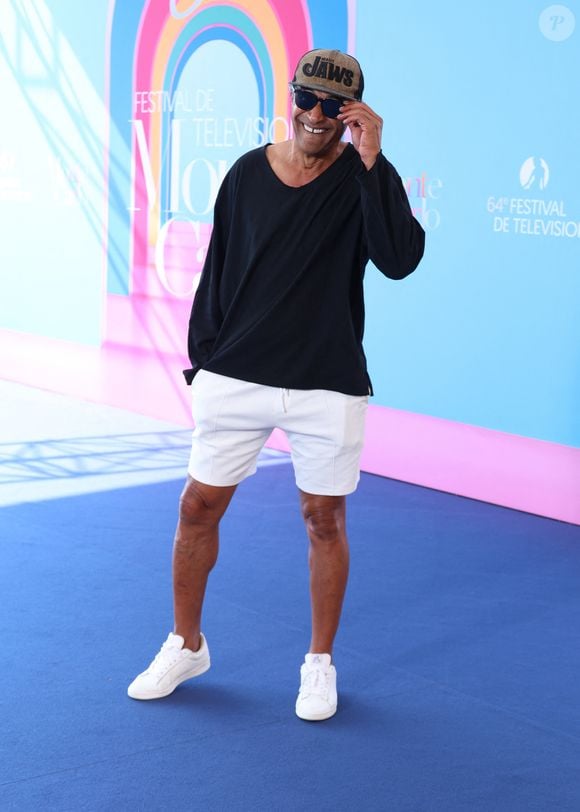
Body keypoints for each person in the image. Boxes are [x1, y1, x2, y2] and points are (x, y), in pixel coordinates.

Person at [128, 49, 425, 721]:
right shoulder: (244, 174)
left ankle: (318, 663)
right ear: (290, 97)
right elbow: (219, 274)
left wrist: (375, 160)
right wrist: (204, 364)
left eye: (333, 107)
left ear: (352, 113)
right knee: (197, 509)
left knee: (325, 520)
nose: (316, 117)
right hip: (236, 374)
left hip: (327, 379)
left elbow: (400, 258)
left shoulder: (362, 177)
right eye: (307, 100)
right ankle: (186, 642)